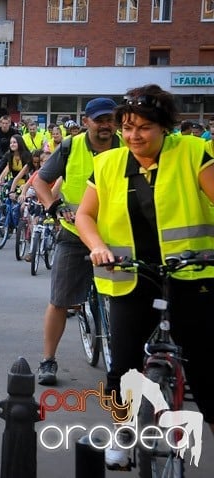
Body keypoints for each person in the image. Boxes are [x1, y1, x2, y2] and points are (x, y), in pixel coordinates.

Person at [75, 84, 214, 466]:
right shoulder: (108, 163)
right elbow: (85, 215)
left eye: (145, 128)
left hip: (192, 274)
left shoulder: (193, 153)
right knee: (121, 366)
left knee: (205, 369)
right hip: (130, 275)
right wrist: (97, 246)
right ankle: (123, 431)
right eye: (128, 126)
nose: (134, 136)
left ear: (164, 127)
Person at [32, 97, 121, 385]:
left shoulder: (127, 145)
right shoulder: (71, 146)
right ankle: (48, 360)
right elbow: (39, 181)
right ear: (87, 122)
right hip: (74, 233)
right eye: (99, 120)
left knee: (126, 300)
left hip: (117, 234)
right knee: (59, 300)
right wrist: (54, 208)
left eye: (110, 119)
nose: (105, 125)